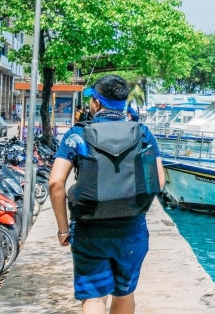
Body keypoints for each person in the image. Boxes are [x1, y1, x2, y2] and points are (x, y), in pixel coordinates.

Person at [49, 75, 164, 314]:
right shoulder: (143, 134)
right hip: (131, 229)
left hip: (90, 228)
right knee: (124, 293)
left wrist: (63, 229)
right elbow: (159, 182)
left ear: (97, 103)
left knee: (94, 297)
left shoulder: (77, 135)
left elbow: (55, 184)